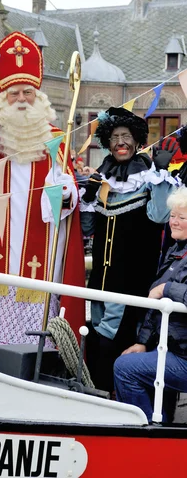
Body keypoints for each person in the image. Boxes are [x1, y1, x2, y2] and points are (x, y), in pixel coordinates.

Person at [0, 32, 85, 350]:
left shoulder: (57, 137)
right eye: (13, 92)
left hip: (38, 254)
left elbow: (67, 195)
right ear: (2, 96)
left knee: (30, 346)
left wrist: (63, 193)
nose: (20, 99)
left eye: (27, 92)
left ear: (38, 96)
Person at [80, 107, 177, 392]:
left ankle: (120, 402)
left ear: (136, 142)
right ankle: (98, 399)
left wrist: (160, 174)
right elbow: (87, 229)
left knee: (120, 344)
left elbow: (160, 217)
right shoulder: (103, 180)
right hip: (100, 280)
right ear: (107, 144)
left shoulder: (148, 178)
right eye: (114, 137)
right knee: (98, 341)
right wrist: (86, 197)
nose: (120, 142)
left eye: (126, 136)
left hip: (134, 282)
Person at [114, 187, 187, 423]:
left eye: (181, 218)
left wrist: (166, 289)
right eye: (173, 216)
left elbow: (161, 294)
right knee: (135, 362)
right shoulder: (177, 251)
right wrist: (143, 343)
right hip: (174, 347)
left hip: (183, 355)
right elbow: (154, 309)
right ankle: (161, 431)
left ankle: (148, 434)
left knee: (125, 368)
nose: (173, 222)